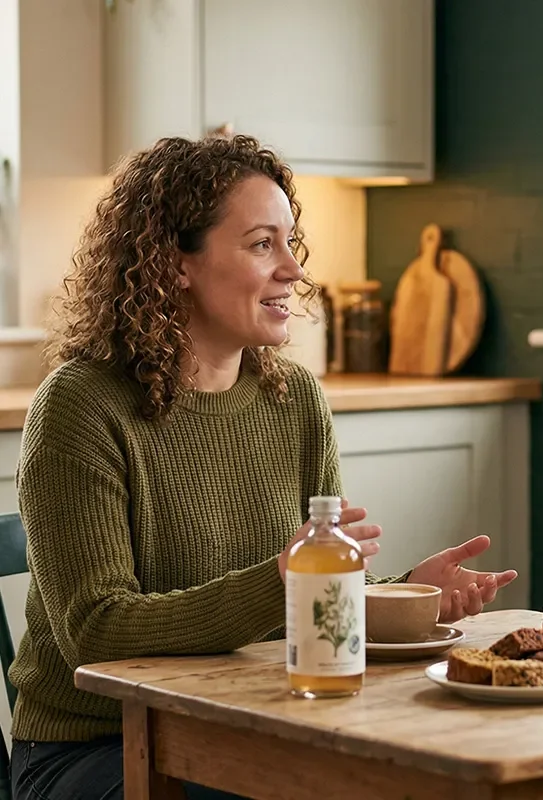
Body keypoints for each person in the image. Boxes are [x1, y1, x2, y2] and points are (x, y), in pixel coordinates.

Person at [8, 134, 517, 800]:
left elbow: (311, 599)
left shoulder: (295, 399)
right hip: (96, 748)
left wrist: (404, 596)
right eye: (259, 244)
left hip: (258, 729)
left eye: (289, 243)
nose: (293, 271)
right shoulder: (82, 404)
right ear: (175, 263)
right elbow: (96, 632)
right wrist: (284, 580)